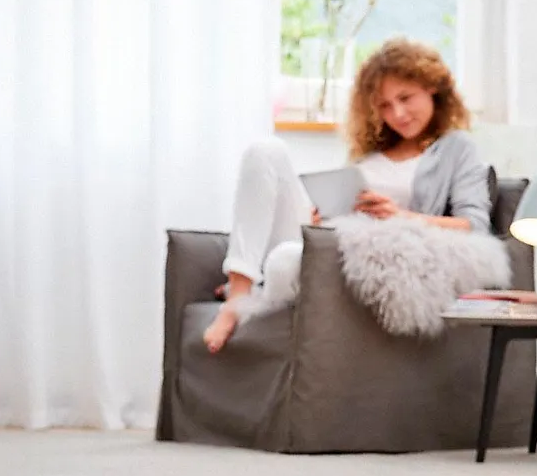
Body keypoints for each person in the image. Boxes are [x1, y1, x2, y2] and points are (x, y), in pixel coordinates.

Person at [203, 37, 495, 353]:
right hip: (325, 237)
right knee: (265, 151)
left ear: (432, 88)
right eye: (384, 105)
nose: (397, 113)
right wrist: (320, 218)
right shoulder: (371, 151)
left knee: (285, 260)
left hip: (367, 257)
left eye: (405, 98)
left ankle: (262, 287)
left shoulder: (456, 148)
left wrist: (400, 217)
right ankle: (238, 296)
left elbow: (474, 226)